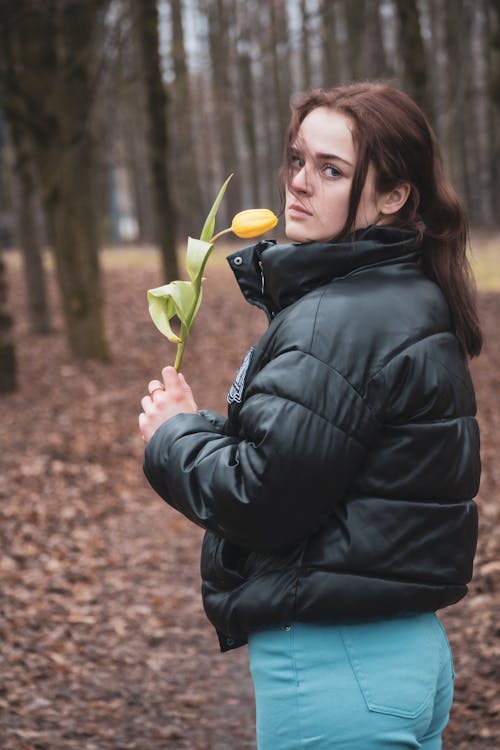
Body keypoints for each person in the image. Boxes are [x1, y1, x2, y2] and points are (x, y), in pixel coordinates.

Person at [139, 82, 481, 749]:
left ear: (392, 196)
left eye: (331, 170)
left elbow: (262, 498)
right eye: (297, 160)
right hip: (405, 653)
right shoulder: (403, 296)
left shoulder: (339, 317)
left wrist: (171, 436)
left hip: (337, 666)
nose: (299, 183)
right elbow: (317, 463)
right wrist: (205, 428)